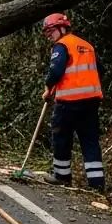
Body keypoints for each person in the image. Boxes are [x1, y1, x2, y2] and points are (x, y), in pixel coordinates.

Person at [40, 13, 105, 192]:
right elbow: (99, 70)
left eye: (51, 31)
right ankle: (96, 183)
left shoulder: (61, 46)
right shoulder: (87, 45)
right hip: (91, 101)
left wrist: (48, 89)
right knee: (90, 140)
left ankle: (61, 176)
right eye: (47, 33)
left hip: (68, 102)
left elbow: (55, 71)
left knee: (61, 136)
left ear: (62, 28)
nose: (49, 36)